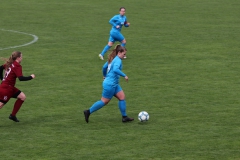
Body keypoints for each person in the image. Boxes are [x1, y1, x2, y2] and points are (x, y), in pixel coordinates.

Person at [84, 45, 134, 123]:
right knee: (104, 101)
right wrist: (125, 75)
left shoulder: (113, 59)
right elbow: (115, 69)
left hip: (114, 84)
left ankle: (124, 117)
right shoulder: (118, 60)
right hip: (110, 85)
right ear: (119, 53)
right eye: (124, 54)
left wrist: (104, 76)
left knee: (122, 97)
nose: (125, 56)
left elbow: (104, 67)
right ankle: (88, 111)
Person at [0, 51, 35, 122]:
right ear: (18, 58)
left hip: (8, 87)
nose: (22, 58)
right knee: (0, 105)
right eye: (21, 57)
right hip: (7, 89)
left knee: (22, 97)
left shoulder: (10, 63)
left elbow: (0, 68)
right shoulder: (17, 65)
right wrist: (31, 77)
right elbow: (21, 78)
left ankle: (12, 115)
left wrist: (2, 79)